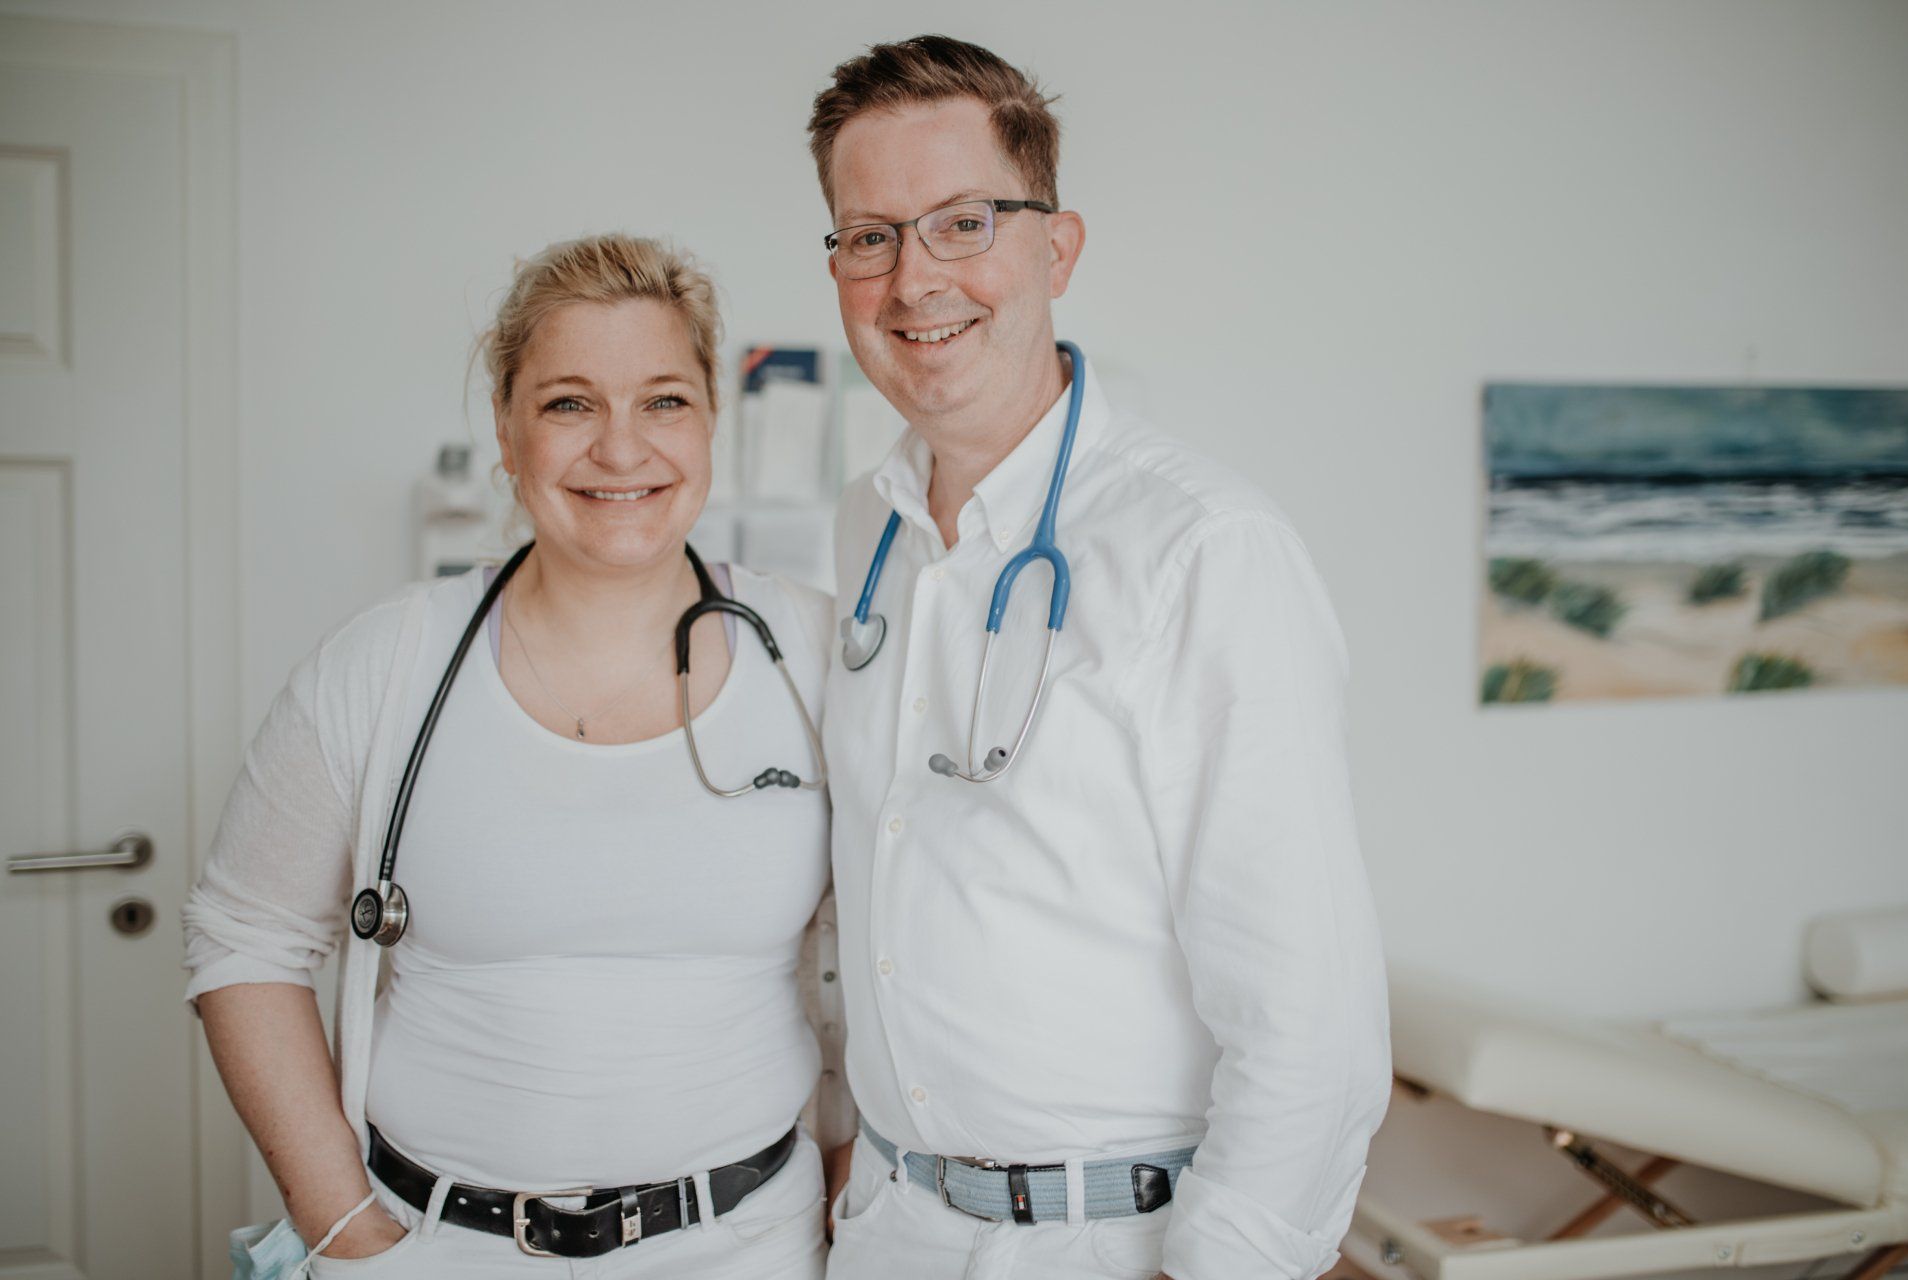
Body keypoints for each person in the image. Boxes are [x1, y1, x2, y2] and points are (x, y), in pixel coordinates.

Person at [808, 37, 1392, 1280]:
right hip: (889, 1232)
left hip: (1111, 1243)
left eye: (963, 222)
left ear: (1056, 248)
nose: (915, 279)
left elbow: (1313, 1019)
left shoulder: (1204, 550)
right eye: (869, 237)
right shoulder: (869, 530)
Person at [185, 234, 848, 1278]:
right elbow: (244, 940)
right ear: (505, 426)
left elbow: (887, 945)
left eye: (665, 400)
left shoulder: (814, 653)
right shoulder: (383, 666)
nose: (622, 450)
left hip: (754, 1243)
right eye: (569, 403)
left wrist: (852, 1184)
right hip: (438, 1246)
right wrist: (347, 1232)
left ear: (711, 416)